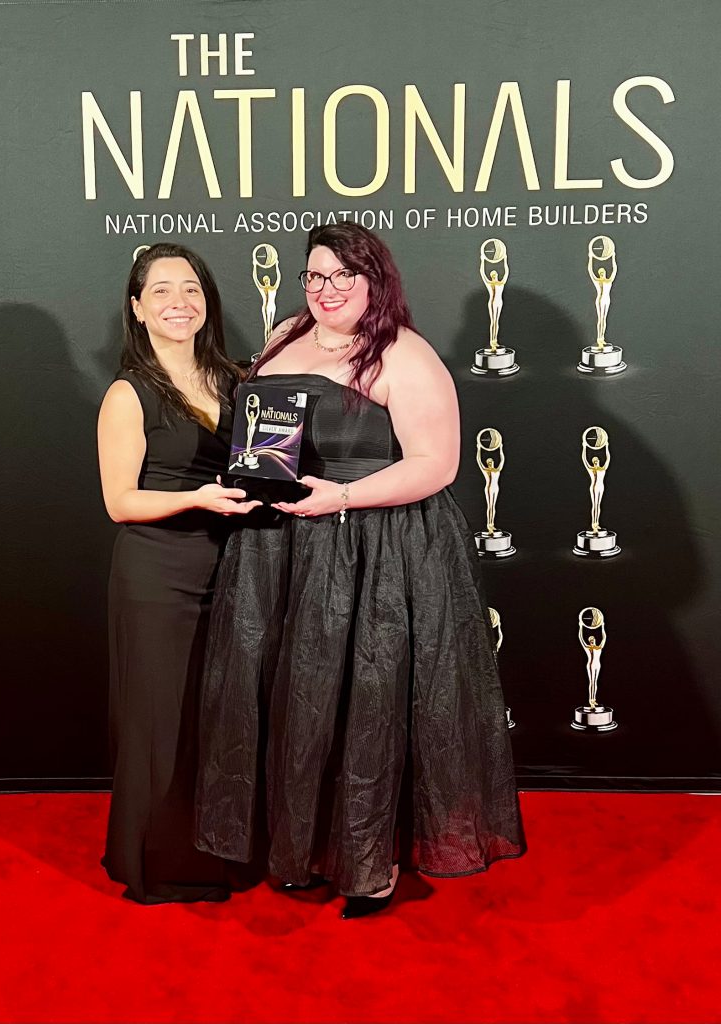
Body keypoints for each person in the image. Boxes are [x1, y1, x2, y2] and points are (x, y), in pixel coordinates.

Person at [195, 223, 525, 918]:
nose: (328, 290)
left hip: (372, 548)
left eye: (345, 276)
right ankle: (304, 851)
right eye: (315, 276)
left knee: (366, 706)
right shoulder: (287, 334)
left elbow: (436, 465)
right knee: (299, 703)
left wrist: (341, 496)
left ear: (376, 282)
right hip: (281, 550)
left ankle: (368, 867)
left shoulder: (404, 354)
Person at [97, 243, 260, 904]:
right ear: (136, 308)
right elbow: (120, 502)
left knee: (220, 720)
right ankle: (157, 865)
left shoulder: (237, 380)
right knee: (160, 723)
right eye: (161, 290)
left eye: (190, 288)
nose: (178, 302)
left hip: (235, 573)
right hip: (157, 577)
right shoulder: (126, 394)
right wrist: (195, 498)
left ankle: (222, 853)